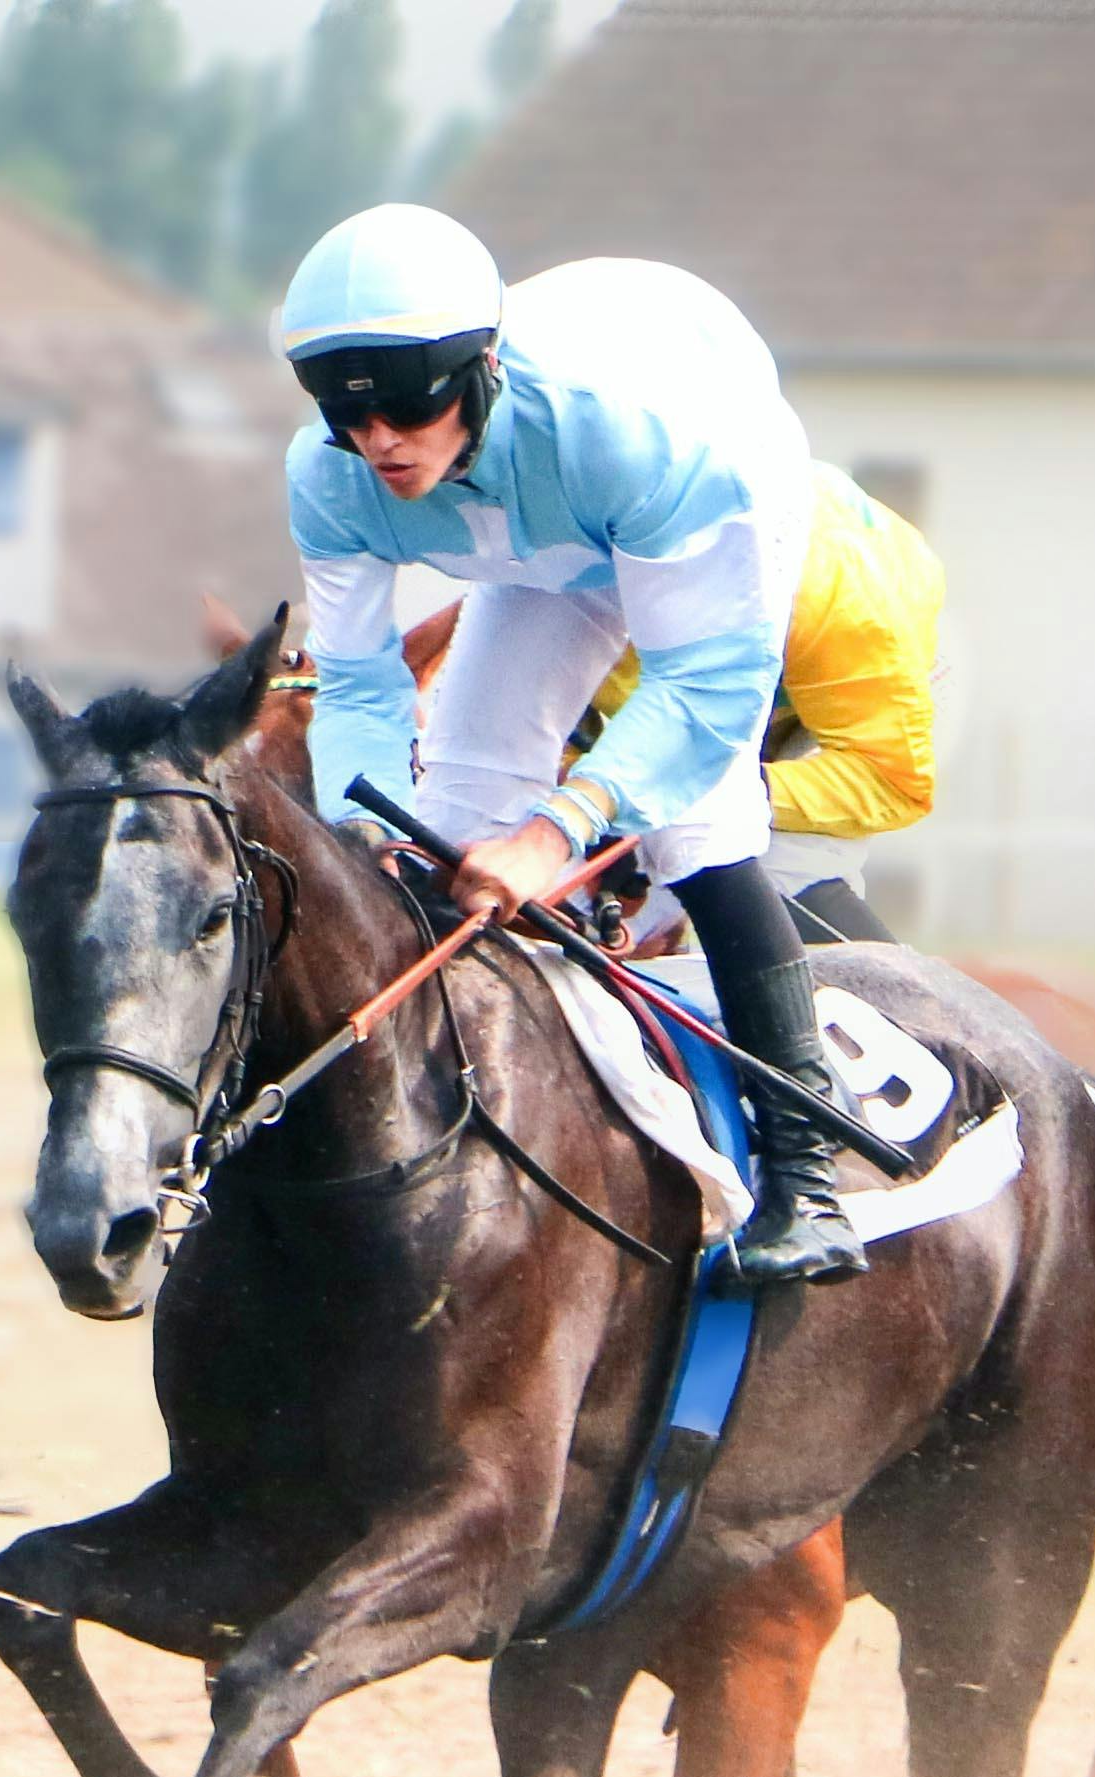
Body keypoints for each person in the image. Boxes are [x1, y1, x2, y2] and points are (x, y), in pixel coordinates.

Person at [276, 202, 864, 1286]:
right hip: (542, 549)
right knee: (450, 808)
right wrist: (363, 833)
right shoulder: (330, 477)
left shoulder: (642, 437)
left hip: (690, 489)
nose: (380, 444)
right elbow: (356, 682)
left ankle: (807, 1178)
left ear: (481, 366)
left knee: (698, 812)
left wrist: (556, 834)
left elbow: (704, 692)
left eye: (408, 405)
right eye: (345, 416)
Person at [572, 460, 950, 949]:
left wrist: (709, 791)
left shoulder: (845, 609)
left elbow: (894, 784)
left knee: (768, 861)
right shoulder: (573, 571)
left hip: (852, 699)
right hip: (733, 630)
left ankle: (885, 1011)